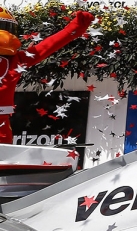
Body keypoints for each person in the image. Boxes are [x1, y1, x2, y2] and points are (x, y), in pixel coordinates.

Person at [0, 8, 94, 144]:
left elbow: (46, 46)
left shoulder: (17, 59)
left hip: (1, 124)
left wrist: (75, 29)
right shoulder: (18, 60)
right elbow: (45, 47)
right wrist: (74, 29)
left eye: (7, 28)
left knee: (4, 160)